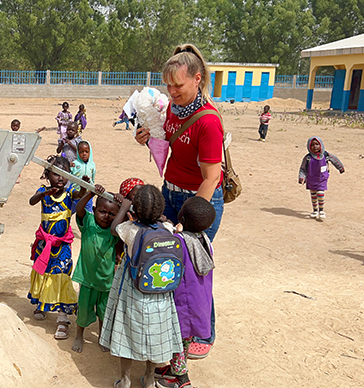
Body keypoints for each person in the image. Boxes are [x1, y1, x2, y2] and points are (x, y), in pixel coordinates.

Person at [134, 44, 224, 359]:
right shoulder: (173, 108)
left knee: (195, 269)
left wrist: (191, 217)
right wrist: (148, 137)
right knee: (167, 262)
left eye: (179, 85)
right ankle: (175, 329)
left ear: (197, 79)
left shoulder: (208, 121)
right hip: (170, 193)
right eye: (168, 85)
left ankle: (204, 332)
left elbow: (211, 177)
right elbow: (169, 140)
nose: (172, 91)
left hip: (199, 199)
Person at [101, 184, 183, 388]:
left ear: (135, 209)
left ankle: (126, 380)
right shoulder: (167, 228)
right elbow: (171, 225)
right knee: (155, 333)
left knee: (127, 333)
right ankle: (149, 377)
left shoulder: (130, 230)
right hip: (160, 292)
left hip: (133, 290)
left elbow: (114, 229)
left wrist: (123, 208)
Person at [155, 196, 216, 388]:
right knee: (185, 339)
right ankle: (175, 370)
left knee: (177, 339)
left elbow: (169, 247)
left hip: (184, 304)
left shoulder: (179, 242)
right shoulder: (204, 239)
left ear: (183, 219)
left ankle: (182, 379)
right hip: (200, 301)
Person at [28, 155, 87, 340]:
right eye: (56, 174)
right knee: (43, 273)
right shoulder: (43, 193)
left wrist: (84, 185)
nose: (60, 178)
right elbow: (32, 200)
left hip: (61, 247)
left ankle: (62, 319)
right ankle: (42, 304)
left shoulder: (69, 194)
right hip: (44, 244)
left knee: (61, 277)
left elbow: (81, 194)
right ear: (47, 175)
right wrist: (45, 193)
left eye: (64, 174)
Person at [71, 186, 121, 353]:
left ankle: (102, 336)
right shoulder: (89, 223)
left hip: (106, 281)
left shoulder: (114, 231)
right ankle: (79, 335)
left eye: (112, 214)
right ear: (94, 210)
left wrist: (124, 206)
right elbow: (79, 209)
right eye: (102, 211)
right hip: (86, 279)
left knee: (103, 312)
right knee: (83, 310)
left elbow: (124, 223)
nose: (106, 216)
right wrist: (91, 193)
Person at [298, 136, 345, 220]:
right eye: (312, 145)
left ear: (321, 145)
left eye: (317, 144)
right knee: (313, 195)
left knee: (320, 193)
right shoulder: (308, 157)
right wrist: (301, 177)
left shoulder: (326, 155)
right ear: (309, 146)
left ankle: (321, 211)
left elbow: (335, 160)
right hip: (311, 179)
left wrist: (340, 167)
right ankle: (315, 211)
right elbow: (303, 168)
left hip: (322, 178)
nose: (315, 146)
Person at [70, 140, 96, 212]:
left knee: (88, 213)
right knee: (69, 212)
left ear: (89, 152)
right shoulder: (74, 164)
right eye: (81, 152)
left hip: (87, 195)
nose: (84, 154)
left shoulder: (92, 165)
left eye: (86, 152)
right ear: (78, 153)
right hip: (76, 193)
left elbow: (93, 178)